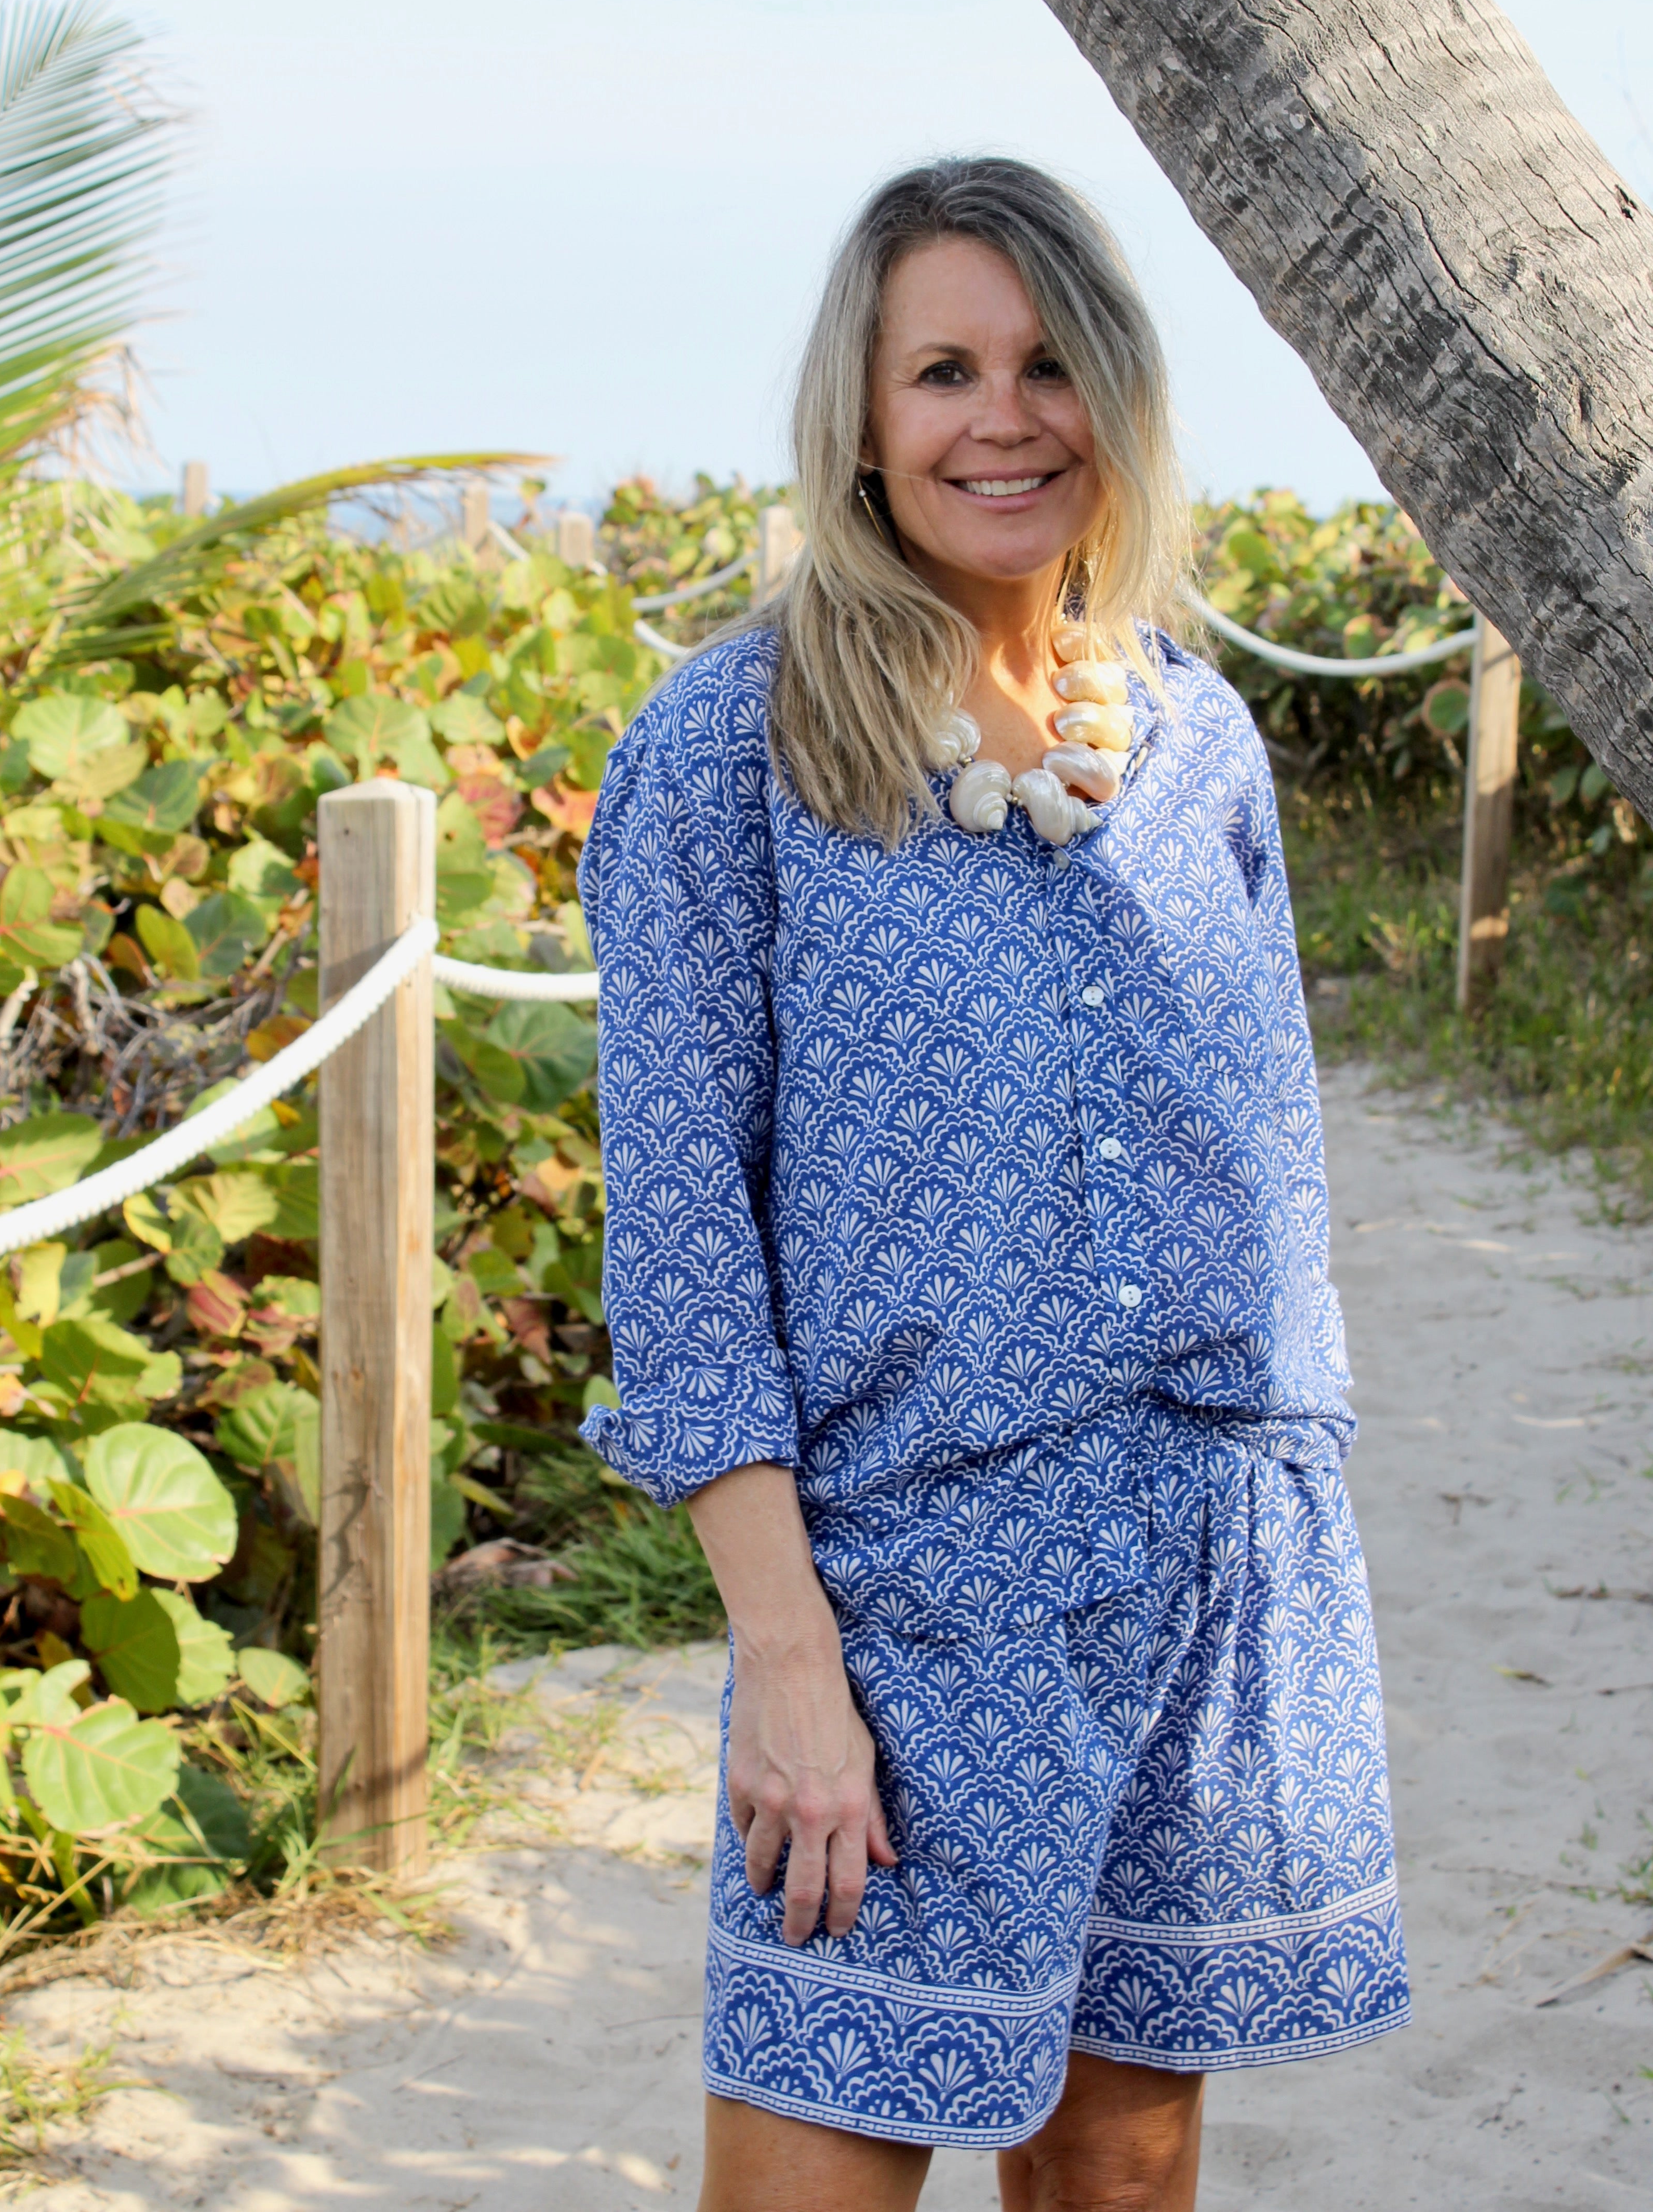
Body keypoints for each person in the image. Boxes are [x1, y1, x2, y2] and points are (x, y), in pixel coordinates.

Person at [578, 157, 1408, 2211]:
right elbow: (683, 1254)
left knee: (1121, 2180)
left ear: (1114, 396)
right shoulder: (725, 755)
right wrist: (789, 1664)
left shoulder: (1201, 740)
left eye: (1048, 365)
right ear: (861, 420)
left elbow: (1273, 1160)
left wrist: (1289, 1536)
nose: (1003, 418)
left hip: (1207, 1572)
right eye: (942, 370)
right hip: (905, 1608)